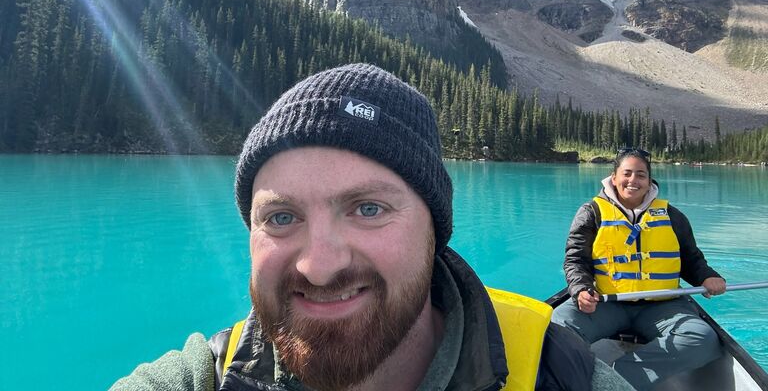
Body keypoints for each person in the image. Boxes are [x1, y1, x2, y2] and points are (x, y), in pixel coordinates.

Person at [110, 63, 634, 391]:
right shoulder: (206, 378)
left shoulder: (557, 376)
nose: (319, 266)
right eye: (281, 217)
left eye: (367, 209)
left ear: (435, 230)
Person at [551, 148, 727, 390]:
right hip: (606, 302)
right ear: (614, 177)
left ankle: (620, 376)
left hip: (663, 305)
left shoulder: (672, 216)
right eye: (627, 173)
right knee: (556, 326)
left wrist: (707, 276)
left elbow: (692, 260)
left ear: (649, 180)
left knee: (703, 339)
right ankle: (580, 378)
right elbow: (575, 260)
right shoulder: (591, 212)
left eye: (640, 175)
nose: (633, 180)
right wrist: (581, 288)